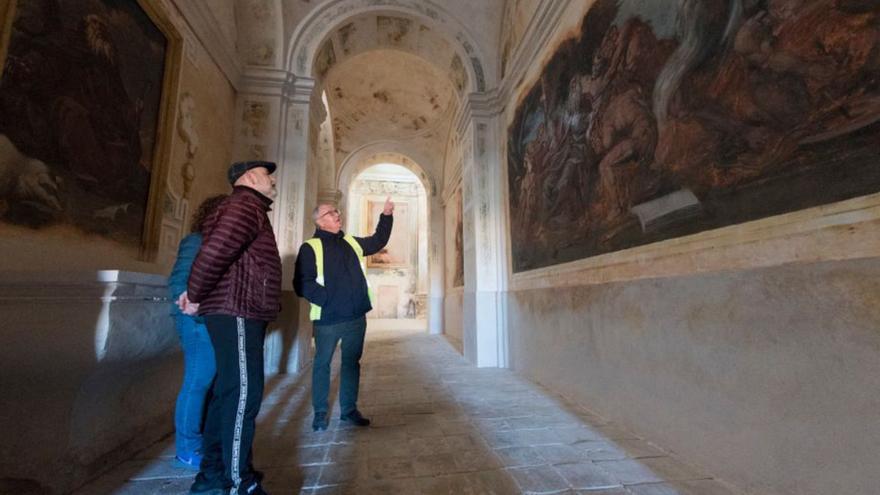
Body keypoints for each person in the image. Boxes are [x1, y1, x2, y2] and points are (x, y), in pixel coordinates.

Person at [179, 160, 282, 495]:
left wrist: (196, 293)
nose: (273, 180)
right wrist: (194, 294)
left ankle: (213, 476)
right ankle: (241, 483)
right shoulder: (243, 205)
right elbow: (214, 253)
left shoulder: (248, 207)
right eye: (268, 175)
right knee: (242, 398)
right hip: (238, 311)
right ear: (250, 178)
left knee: (227, 396)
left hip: (237, 310)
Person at [293, 198, 394, 432]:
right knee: (322, 365)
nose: (337, 215)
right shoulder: (310, 247)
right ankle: (320, 412)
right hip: (328, 319)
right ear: (319, 221)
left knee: (351, 364)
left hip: (356, 317)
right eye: (330, 213)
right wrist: (327, 299)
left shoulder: (350, 241)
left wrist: (386, 215)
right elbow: (301, 283)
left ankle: (348, 411)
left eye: (336, 211)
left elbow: (377, 241)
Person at [167, 194, 227, 469]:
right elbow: (180, 280)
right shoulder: (195, 241)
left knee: (210, 383)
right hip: (196, 323)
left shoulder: (220, 244)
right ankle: (187, 447)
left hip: (214, 321)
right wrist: (194, 306)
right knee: (197, 383)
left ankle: (203, 437)